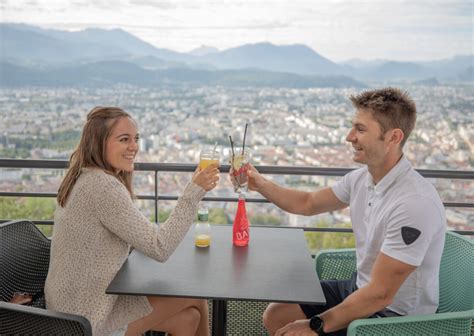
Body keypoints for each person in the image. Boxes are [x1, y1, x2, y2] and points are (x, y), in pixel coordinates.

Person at [241, 88, 446, 336]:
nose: (349, 137)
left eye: (360, 129)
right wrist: (260, 184)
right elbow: (307, 203)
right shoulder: (361, 179)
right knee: (278, 315)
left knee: (299, 329)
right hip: (360, 288)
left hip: (394, 317)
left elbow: (381, 294)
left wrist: (315, 325)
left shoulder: (414, 203)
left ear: (393, 137)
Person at [45, 106, 219, 336]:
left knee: (188, 319)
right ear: (99, 142)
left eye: (136, 139)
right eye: (124, 139)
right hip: (86, 321)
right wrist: (194, 191)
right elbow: (160, 247)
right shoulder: (103, 186)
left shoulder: (84, 176)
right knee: (195, 295)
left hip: (69, 309)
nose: (134, 147)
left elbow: (139, 237)